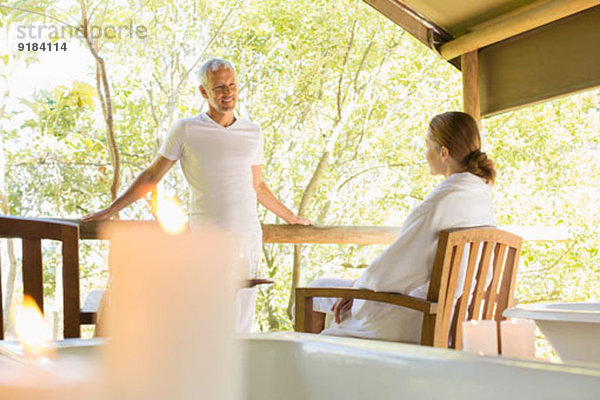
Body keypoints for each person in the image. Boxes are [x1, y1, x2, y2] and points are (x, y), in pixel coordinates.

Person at [82, 58, 310, 332]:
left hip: (247, 236)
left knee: (241, 322)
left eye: (232, 84)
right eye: (219, 87)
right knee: (208, 317)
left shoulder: (252, 132)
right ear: (204, 92)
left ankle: (238, 375)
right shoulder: (186, 130)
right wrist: (109, 211)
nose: (228, 92)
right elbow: (152, 176)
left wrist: (291, 217)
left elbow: (258, 186)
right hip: (207, 237)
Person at [309, 111, 496, 342]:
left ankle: (312, 362)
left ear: (443, 152)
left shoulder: (439, 203)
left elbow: (398, 267)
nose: (426, 153)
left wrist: (359, 289)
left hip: (426, 317)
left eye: (427, 145)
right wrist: (361, 286)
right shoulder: (480, 197)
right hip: (464, 315)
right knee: (329, 287)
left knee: (315, 290)